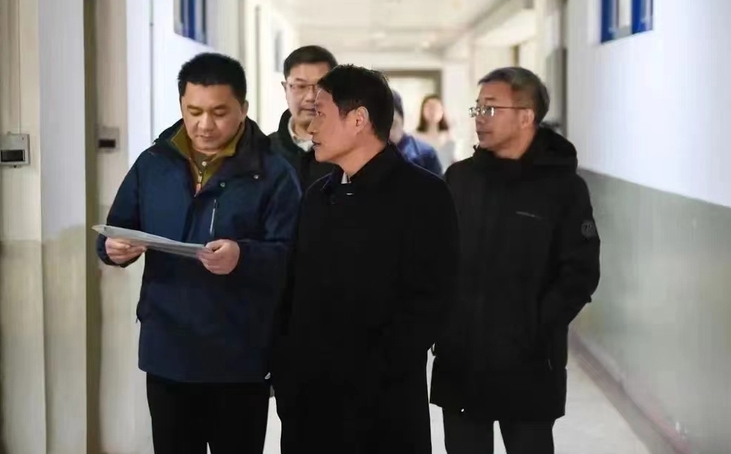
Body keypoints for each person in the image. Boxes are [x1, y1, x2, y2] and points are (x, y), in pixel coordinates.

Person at [96, 53, 300, 454]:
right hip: (168, 350)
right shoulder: (153, 163)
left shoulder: (273, 173)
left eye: (219, 113)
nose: (205, 124)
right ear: (181, 106)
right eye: (194, 112)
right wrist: (113, 249)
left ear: (243, 108)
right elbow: (115, 229)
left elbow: (291, 255)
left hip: (238, 356)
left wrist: (243, 256)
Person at [273, 65, 459, 454]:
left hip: (382, 409)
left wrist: (370, 374)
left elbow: (430, 304)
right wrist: (287, 373)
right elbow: (294, 291)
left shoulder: (423, 195)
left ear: (358, 120)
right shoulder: (318, 195)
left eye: (321, 113)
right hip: (309, 405)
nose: (311, 127)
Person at [430, 67, 601, 454]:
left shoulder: (564, 188)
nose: (479, 117)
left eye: (491, 108)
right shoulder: (459, 179)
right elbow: (434, 258)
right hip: (461, 360)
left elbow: (580, 272)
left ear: (526, 116)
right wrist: (444, 325)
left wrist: (534, 328)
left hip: (529, 364)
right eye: (477, 108)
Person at [269, 45, 339, 190]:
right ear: (285, 88)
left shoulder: (357, 153)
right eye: (300, 86)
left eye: (321, 86)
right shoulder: (261, 153)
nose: (311, 97)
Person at [389, 90, 443, 176]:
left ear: (401, 119)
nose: (388, 131)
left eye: (393, 124)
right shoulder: (369, 156)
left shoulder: (425, 155)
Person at [414, 93, 456, 171]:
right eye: (429, 107)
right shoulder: (414, 137)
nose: (432, 111)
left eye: (436, 108)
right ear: (422, 110)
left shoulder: (450, 137)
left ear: (442, 111)